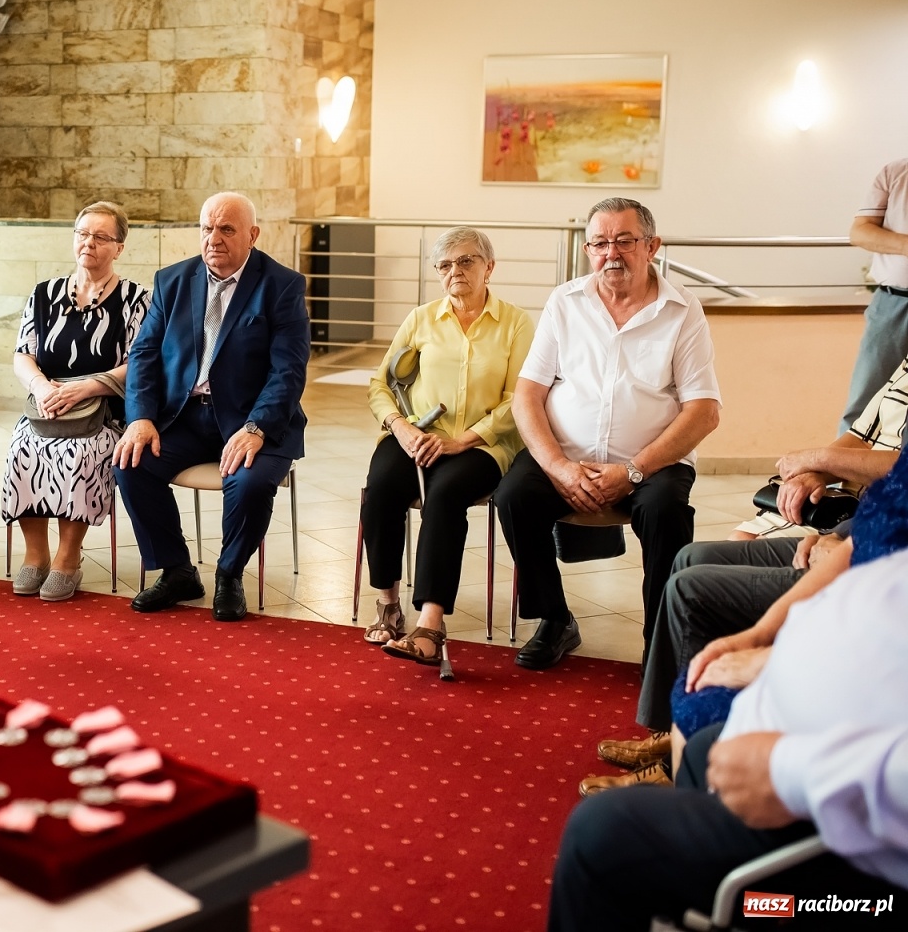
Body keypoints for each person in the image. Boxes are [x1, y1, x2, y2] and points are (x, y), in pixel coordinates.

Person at [548, 457, 908, 932]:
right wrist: (762, 638)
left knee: (601, 833)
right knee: (702, 748)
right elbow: (867, 548)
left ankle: (743, 904)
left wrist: (788, 768)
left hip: (863, 886)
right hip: (825, 757)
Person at [584, 353, 908, 794]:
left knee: (690, 588)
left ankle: (682, 767)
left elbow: (897, 472)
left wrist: (826, 489)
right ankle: (669, 731)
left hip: (870, 563)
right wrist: (821, 482)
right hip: (853, 531)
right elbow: (863, 439)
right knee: (692, 559)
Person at [497, 197, 721, 669]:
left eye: (624, 240)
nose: (611, 253)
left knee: (665, 512)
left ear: (652, 246)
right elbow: (527, 395)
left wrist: (634, 471)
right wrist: (558, 465)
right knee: (515, 495)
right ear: (587, 249)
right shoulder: (565, 301)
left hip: (652, 462)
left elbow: (704, 411)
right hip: (568, 455)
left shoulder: (682, 311)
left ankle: (659, 643)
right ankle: (555, 620)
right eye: (599, 243)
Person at [113, 192, 310, 622]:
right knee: (131, 465)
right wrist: (141, 417)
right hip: (185, 415)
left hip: (252, 419)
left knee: (252, 483)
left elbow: (289, 371)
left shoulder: (282, 286)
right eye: (207, 228)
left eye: (227, 229)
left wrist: (257, 427)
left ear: (253, 235)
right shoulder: (173, 281)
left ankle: (229, 574)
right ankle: (178, 570)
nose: (214, 239)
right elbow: (144, 354)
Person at [359, 226, 533, 665]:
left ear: (489, 267)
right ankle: (388, 604)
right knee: (381, 486)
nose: (455, 271)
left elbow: (522, 399)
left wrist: (465, 440)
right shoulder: (420, 318)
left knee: (446, 493)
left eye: (466, 261)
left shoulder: (516, 323)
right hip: (416, 434)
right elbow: (379, 385)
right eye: (445, 265)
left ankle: (431, 622)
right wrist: (400, 428)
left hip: (483, 444)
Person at [3, 202, 150, 602]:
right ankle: (35, 553)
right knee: (22, 448)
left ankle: (69, 557)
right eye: (83, 233)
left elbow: (138, 363)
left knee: (81, 453)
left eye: (101, 237)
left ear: (119, 247)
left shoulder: (136, 298)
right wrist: (42, 387)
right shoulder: (44, 293)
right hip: (47, 402)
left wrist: (86, 387)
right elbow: (22, 353)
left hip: (103, 407)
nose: (89, 243)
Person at [841, 155, 908, 433]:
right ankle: (840, 477)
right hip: (894, 304)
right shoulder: (896, 172)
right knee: (864, 402)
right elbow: (860, 232)